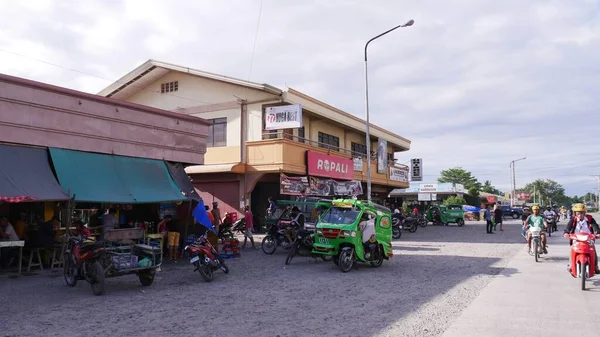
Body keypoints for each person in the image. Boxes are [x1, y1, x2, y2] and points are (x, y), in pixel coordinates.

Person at [563, 203, 600, 270]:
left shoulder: (590, 218)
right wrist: (566, 233)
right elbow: (568, 227)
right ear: (575, 213)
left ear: (584, 213)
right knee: (572, 249)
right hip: (576, 238)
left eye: (581, 213)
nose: (580, 215)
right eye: (578, 213)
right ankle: (571, 265)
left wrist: (597, 233)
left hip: (588, 238)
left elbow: (595, 226)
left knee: (593, 250)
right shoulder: (573, 219)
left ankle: (595, 266)